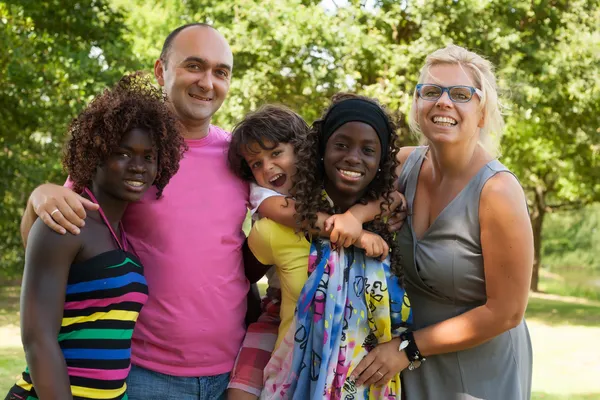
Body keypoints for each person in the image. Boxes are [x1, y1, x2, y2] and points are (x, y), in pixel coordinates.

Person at [19, 23, 261, 399]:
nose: (207, 82)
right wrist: (40, 194)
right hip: (144, 375)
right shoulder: (123, 156)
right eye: (193, 66)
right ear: (162, 71)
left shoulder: (242, 158)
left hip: (230, 373)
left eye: (221, 72)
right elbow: (51, 237)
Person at [350, 44, 534, 400]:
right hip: (408, 366)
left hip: (478, 370)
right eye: (431, 92)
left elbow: (506, 312)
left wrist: (408, 348)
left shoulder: (497, 192)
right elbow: (341, 199)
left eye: (461, 94)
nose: (443, 102)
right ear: (417, 106)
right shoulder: (401, 166)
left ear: (482, 113)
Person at [5, 73, 184, 400]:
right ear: (97, 153)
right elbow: (38, 338)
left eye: (149, 157)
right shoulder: (66, 223)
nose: (138, 167)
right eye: (124, 153)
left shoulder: (120, 235)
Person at [226, 104, 401, 400]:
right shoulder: (266, 200)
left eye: (276, 154)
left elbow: (391, 197)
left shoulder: (332, 185)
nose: (267, 168)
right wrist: (353, 232)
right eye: (256, 164)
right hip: (277, 310)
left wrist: (355, 217)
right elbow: (297, 218)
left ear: (303, 150)